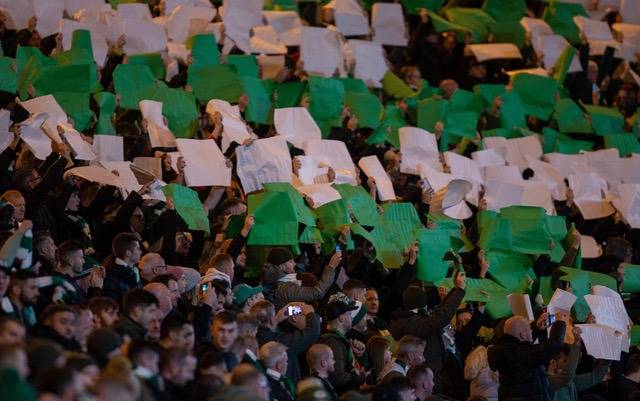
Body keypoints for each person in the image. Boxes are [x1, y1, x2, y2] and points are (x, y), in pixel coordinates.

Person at [390, 270, 467, 400]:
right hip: (427, 381)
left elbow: (436, 315)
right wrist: (459, 290)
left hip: (432, 377)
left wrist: (454, 290)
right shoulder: (411, 324)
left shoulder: (409, 320)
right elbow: (439, 318)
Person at [488, 314, 567, 401]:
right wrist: (560, 322)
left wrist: (537, 328)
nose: (531, 332)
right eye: (529, 330)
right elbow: (553, 346)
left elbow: (523, 344)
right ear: (522, 335)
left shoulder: (507, 351)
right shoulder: (518, 354)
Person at [252, 299, 322, 382]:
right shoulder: (276, 341)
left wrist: (277, 319)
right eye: (275, 313)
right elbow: (312, 332)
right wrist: (310, 313)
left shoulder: (264, 334)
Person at [262, 247, 341, 309]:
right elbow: (317, 292)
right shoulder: (284, 288)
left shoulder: (286, 280)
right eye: (290, 261)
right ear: (281, 266)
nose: (294, 263)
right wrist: (331, 267)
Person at [317, 292, 365, 394]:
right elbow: (338, 377)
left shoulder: (338, 338)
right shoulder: (333, 342)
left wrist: (359, 355)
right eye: (349, 314)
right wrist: (359, 377)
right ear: (341, 318)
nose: (351, 318)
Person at [547, 327, 610, 401]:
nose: (569, 364)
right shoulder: (548, 381)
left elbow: (595, 377)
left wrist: (610, 352)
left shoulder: (571, 381)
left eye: (570, 361)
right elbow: (567, 374)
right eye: (565, 361)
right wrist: (576, 344)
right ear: (553, 362)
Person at [103, 233, 143, 303]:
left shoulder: (134, 270)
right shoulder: (111, 277)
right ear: (128, 253)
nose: (141, 252)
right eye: (138, 249)